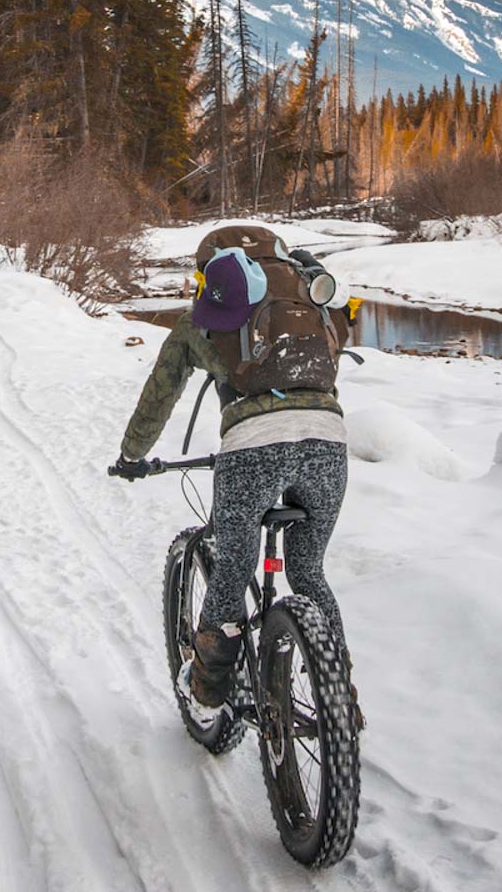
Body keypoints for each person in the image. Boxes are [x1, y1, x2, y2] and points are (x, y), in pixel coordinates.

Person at [112, 225, 362, 729]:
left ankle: (207, 696)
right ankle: (340, 697)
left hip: (251, 452)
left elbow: (160, 395)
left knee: (231, 573)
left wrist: (131, 455)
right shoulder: (311, 307)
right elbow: (338, 340)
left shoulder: (200, 322)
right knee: (309, 570)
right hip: (328, 443)